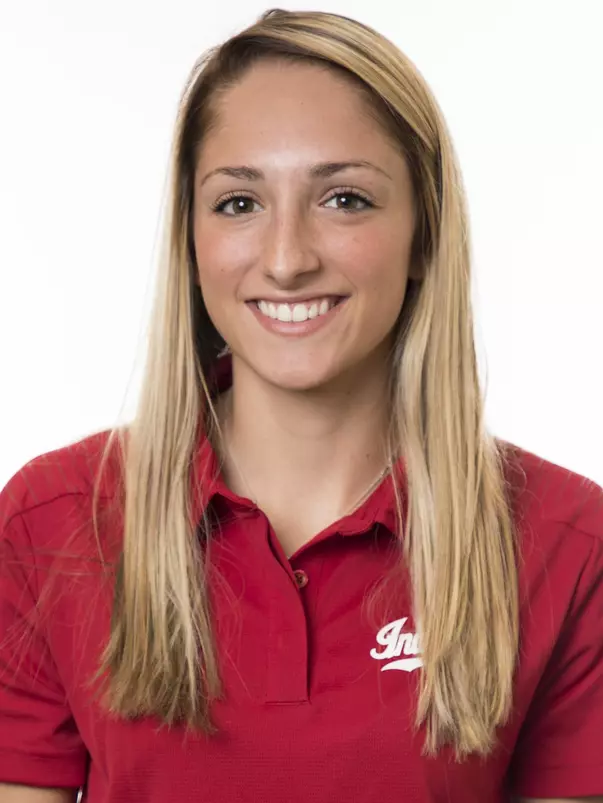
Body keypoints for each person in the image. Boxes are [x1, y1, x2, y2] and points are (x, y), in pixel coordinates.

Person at [0, 7, 602, 802]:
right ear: (190, 236)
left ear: (423, 233)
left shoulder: (565, 541)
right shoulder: (51, 521)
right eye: (238, 204)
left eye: (344, 199)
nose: (286, 259)